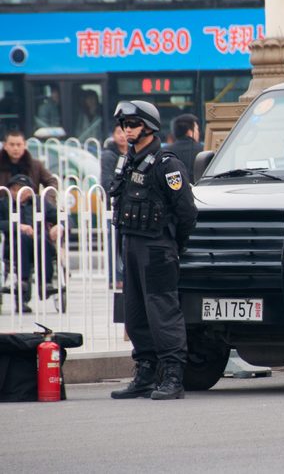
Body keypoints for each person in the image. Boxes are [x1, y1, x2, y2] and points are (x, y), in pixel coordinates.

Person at [109, 100, 197, 401]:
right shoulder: (127, 161)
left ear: (148, 126)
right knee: (134, 315)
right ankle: (145, 372)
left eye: (132, 124)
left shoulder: (166, 164)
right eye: (124, 125)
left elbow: (186, 211)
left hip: (158, 248)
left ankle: (172, 375)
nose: (126, 130)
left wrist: (175, 243)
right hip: (131, 245)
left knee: (163, 314)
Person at [0, 175, 60, 313]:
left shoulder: (39, 203)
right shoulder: (3, 204)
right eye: (13, 189)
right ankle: (23, 281)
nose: (17, 193)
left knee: (40, 239)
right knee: (23, 238)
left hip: (40, 244)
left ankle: (46, 282)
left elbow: (62, 217)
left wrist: (60, 226)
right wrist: (18, 226)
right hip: (14, 246)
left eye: (21, 189)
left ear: (30, 190)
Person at [100, 123, 129, 288]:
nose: (122, 135)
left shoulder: (132, 152)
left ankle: (122, 276)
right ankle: (115, 277)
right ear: (113, 134)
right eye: (119, 132)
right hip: (113, 205)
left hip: (127, 204)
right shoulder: (109, 155)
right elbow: (106, 181)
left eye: (125, 132)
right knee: (114, 240)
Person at [0, 130, 58, 202]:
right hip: (3, 208)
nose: (15, 148)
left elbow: (52, 181)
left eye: (19, 145)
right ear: (5, 146)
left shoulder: (35, 165)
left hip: (30, 208)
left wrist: (46, 200)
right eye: (12, 145)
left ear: (24, 145)